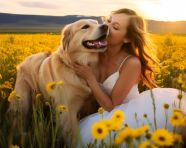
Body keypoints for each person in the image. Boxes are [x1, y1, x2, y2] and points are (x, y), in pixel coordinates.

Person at [72, 8, 186, 146]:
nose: (106, 27)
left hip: (127, 113)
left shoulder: (131, 63)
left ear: (127, 38)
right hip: (103, 112)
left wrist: (89, 77)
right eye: (108, 21)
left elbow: (111, 106)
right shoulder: (94, 51)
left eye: (115, 27)